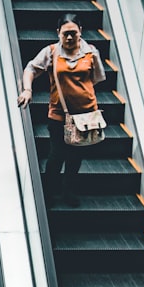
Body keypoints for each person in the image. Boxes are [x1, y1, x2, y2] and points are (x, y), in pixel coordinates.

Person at [17, 13, 106, 207]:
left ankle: (68, 191)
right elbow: (31, 68)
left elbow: (97, 78)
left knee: (76, 157)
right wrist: (27, 90)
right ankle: (48, 192)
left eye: (73, 33)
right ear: (58, 33)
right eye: (65, 33)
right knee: (56, 155)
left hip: (85, 115)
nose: (69, 37)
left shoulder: (91, 52)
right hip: (59, 114)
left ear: (80, 32)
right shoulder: (51, 52)